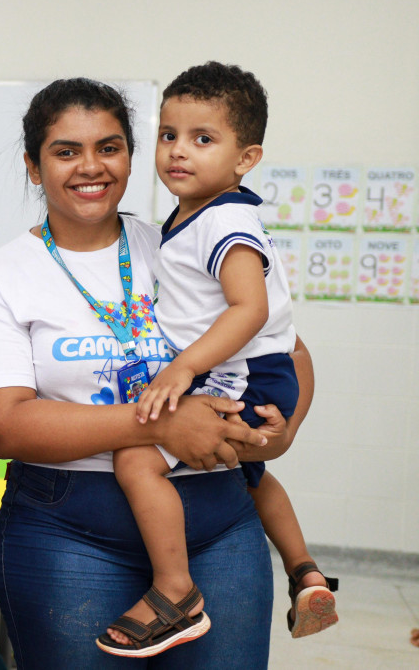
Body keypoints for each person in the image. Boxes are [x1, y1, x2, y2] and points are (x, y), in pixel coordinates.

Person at [0, 77, 315, 668]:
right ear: (32, 165)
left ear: (129, 155)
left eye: (110, 146)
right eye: (65, 151)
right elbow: (5, 426)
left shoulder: (179, 241)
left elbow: (287, 345)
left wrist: (280, 432)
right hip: (69, 532)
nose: (89, 167)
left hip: (218, 521)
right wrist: (160, 428)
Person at [98, 62, 337, 657]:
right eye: (169, 134)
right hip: (254, 371)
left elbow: (248, 308)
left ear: (246, 158)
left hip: (241, 372)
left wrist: (182, 369)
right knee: (251, 476)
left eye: (204, 139)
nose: (180, 151)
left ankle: (175, 592)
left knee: (133, 458)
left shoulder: (224, 220)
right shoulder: (192, 218)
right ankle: (305, 571)